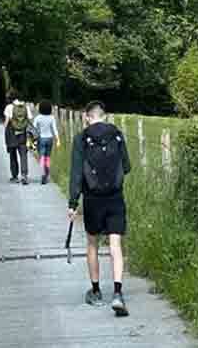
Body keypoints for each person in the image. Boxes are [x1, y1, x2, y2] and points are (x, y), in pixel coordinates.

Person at [68, 101, 131, 316]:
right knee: (115, 244)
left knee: (92, 243)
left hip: (93, 199)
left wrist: (73, 203)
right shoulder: (117, 134)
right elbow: (127, 166)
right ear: (104, 115)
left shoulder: (81, 139)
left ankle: (95, 291)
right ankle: (117, 293)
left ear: (87, 117)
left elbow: (76, 173)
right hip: (115, 197)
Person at [4, 100, 32, 184]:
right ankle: (24, 175)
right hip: (23, 133)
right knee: (23, 155)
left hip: (11, 133)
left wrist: (5, 130)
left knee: (13, 155)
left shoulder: (9, 107)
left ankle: (15, 176)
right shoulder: (26, 107)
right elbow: (30, 119)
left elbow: (7, 121)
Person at [32, 100, 59, 184]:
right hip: (50, 138)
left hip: (41, 138)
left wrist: (32, 140)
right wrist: (58, 139)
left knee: (42, 157)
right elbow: (55, 129)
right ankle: (47, 174)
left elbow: (33, 128)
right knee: (47, 157)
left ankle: (43, 174)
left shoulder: (38, 118)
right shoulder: (51, 118)